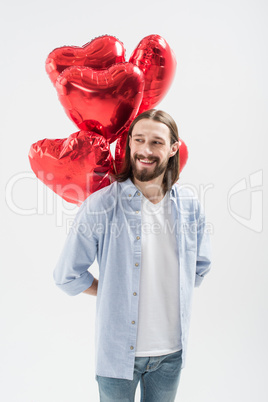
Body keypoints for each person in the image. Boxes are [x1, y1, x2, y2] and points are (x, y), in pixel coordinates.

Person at [53, 109, 211, 402]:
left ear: (173, 148)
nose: (146, 150)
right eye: (138, 140)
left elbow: (200, 267)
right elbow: (67, 276)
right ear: (129, 144)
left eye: (157, 142)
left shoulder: (190, 206)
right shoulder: (101, 205)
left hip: (171, 355)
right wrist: (112, 291)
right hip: (117, 356)